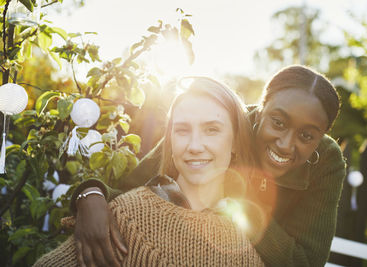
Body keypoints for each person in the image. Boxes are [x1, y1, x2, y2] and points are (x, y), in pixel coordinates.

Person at [69, 65, 346, 267]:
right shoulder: (220, 124)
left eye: (307, 136)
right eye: (278, 122)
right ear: (260, 110)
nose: (286, 144)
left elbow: (306, 261)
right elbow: (132, 189)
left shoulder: (327, 162)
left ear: (320, 136)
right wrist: (90, 195)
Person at [34, 77, 265, 266]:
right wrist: (90, 193)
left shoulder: (248, 250)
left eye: (212, 130)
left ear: (235, 141)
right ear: (170, 140)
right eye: (182, 130)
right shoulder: (126, 217)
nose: (194, 146)